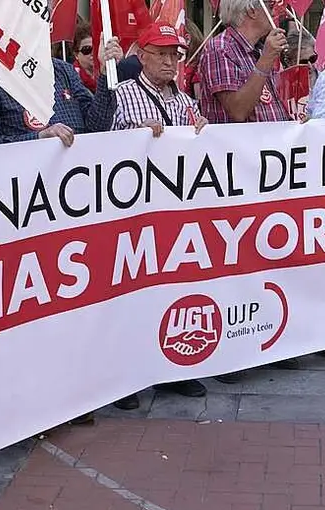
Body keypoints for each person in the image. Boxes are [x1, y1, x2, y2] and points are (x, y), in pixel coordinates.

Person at [108, 22, 210, 411]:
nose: (170, 61)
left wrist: (202, 130)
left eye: (175, 54)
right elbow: (107, 142)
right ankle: (125, 377)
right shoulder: (125, 94)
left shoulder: (182, 99)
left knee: (172, 289)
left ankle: (170, 370)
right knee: (133, 294)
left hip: (176, 211)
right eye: (162, 54)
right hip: (135, 214)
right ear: (142, 56)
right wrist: (135, 134)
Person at [0, 37, 121, 148]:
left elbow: (97, 126)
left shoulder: (63, 70)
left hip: (76, 179)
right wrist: (39, 137)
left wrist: (106, 72)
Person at [198, 0, 290, 124]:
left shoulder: (260, 50)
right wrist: (266, 59)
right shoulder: (220, 48)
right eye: (269, 6)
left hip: (272, 141)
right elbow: (238, 111)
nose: (274, 13)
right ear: (252, 11)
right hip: (241, 142)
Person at [74, 23, 98, 92]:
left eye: (96, 48)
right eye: (87, 49)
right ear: (76, 54)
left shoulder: (109, 73)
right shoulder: (72, 77)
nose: (93, 53)